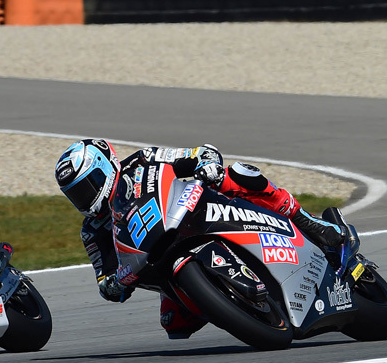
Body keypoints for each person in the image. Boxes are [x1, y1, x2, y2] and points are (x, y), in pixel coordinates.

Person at [54, 139, 346, 340]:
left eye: (87, 186)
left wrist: (206, 163)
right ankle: (230, 299)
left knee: (236, 174)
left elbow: (198, 152)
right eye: (75, 194)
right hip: (162, 268)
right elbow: (105, 283)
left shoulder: (143, 160)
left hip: (195, 213)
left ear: (105, 166)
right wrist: (114, 283)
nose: (84, 198)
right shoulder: (92, 231)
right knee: (174, 326)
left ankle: (304, 218)